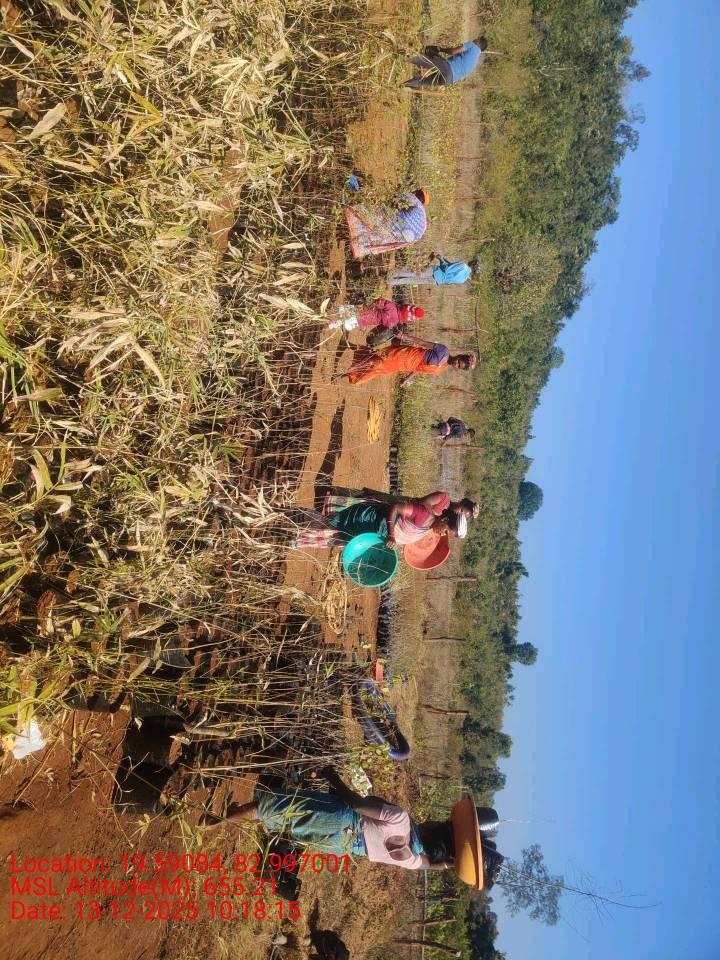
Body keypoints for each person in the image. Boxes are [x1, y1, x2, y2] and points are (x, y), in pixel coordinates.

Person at [203, 774, 506, 884]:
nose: (433, 821)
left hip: (342, 818)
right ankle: (230, 815)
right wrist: (455, 861)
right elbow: (435, 863)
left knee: (275, 807)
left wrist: (332, 777)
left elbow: (356, 804)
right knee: (287, 823)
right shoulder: (415, 860)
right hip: (342, 846)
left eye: (439, 823)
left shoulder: (401, 821)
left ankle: (214, 822)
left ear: (433, 830)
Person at [294, 490, 452, 549]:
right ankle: (295, 516)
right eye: (446, 531)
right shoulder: (425, 514)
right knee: (335, 523)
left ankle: (296, 533)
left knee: (339, 533)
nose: (442, 534)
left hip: (374, 531)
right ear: (444, 519)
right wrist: (391, 534)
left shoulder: (427, 527)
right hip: (369, 519)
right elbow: (395, 508)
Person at [344, 189, 428, 260]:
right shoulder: (423, 219)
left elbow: (398, 194)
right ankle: (360, 246)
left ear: (417, 193)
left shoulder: (415, 200)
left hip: (402, 225)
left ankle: (352, 218)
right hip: (408, 237)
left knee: (380, 212)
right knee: (387, 234)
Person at [343, 342, 476, 386]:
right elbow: (422, 342)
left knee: (377, 369)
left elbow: (419, 369)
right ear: (459, 356)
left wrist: (407, 379)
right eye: (459, 362)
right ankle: (348, 370)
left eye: (459, 366)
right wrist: (403, 337)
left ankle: (351, 373)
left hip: (402, 366)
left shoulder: (441, 369)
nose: (456, 364)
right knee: (377, 362)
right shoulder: (443, 351)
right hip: (405, 355)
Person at [403, 37, 488, 90]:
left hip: (448, 68)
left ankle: (403, 56)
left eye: (476, 38)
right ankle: (402, 86)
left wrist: (441, 49)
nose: (474, 39)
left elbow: (453, 51)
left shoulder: (473, 46)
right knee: (422, 82)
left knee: (423, 60)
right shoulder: (475, 61)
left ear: (478, 41)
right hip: (449, 80)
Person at [328, 299, 424, 333]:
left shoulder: (392, 307)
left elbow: (379, 302)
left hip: (364, 311)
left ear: (405, 307)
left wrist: (373, 303)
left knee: (346, 312)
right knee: (350, 320)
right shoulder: (394, 322)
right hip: (365, 321)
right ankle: (335, 324)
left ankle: (331, 315)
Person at [389, 254, 480, 287]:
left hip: (435, 272)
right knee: (412, 280)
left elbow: (446, 269)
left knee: (413, 273)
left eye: (473, 261)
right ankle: (391, 282)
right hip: (436, 281)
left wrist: (440, 259)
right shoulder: (463, 279)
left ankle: (391, 274)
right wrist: (443, 259)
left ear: (473, 264)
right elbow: (450, 272)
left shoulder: (463, 266)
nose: (471, 260)